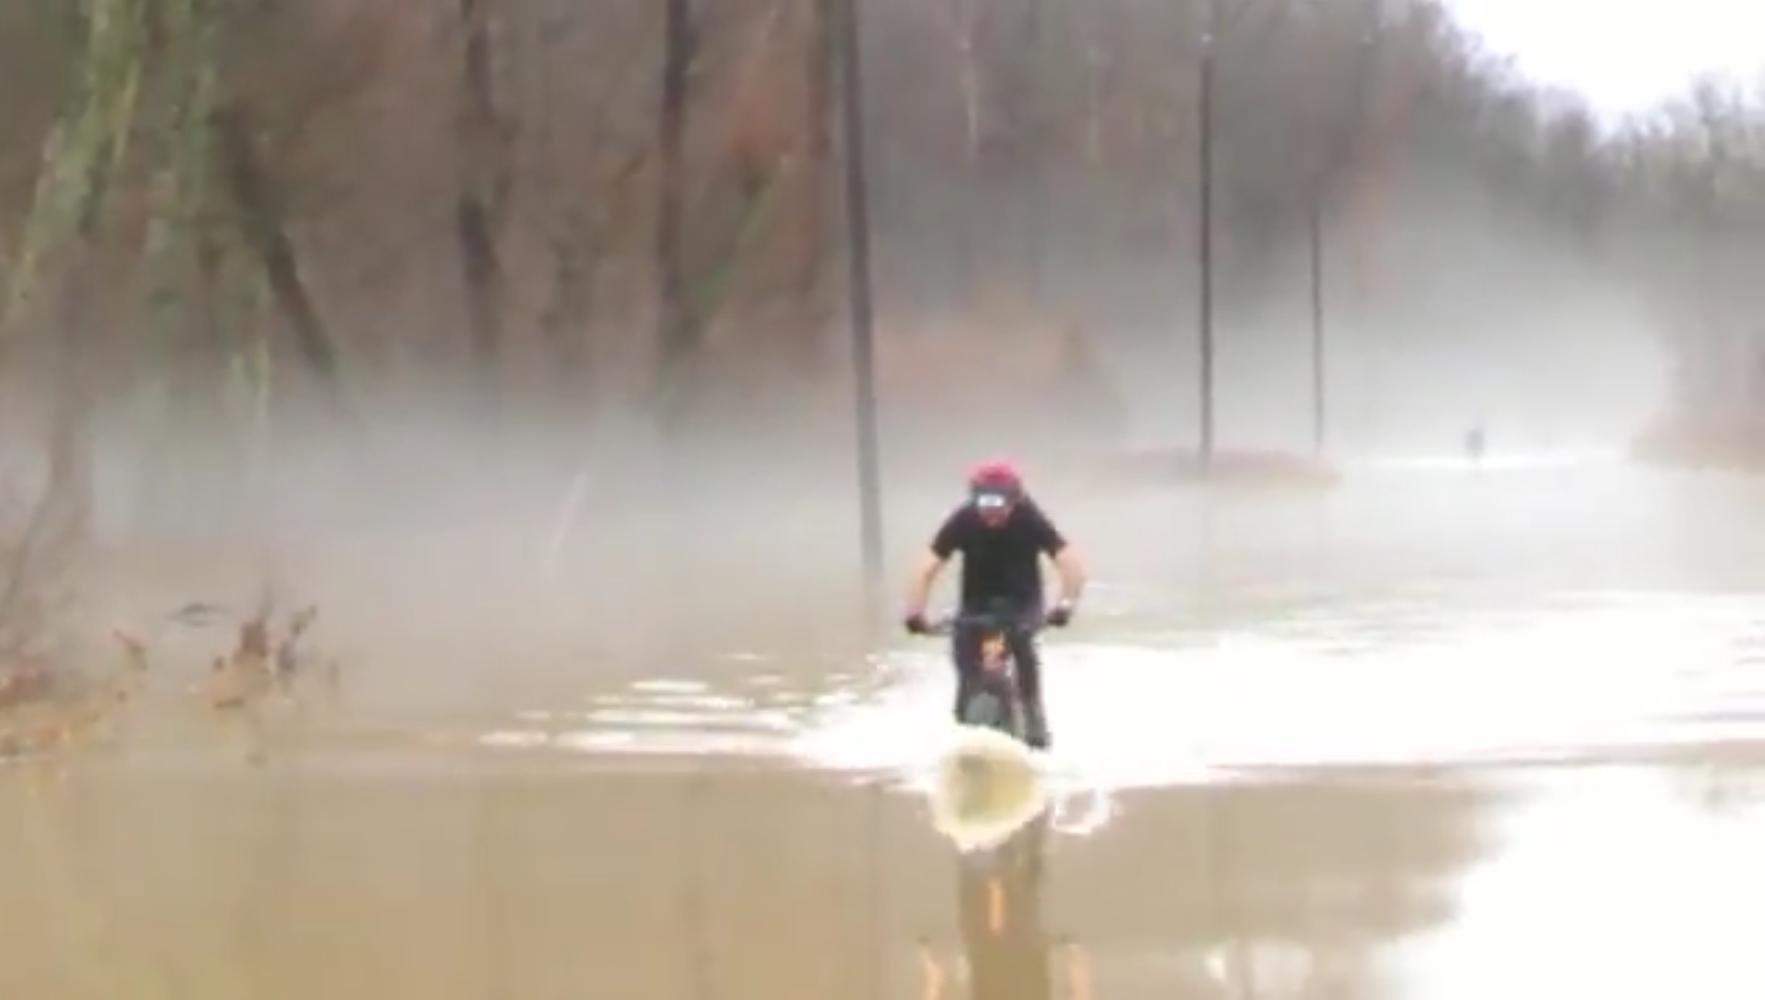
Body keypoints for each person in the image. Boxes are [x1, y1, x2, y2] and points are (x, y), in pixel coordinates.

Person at [903, 459, 1086, 749]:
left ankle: (1034, 724)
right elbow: (927, 565)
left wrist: (1065, 605)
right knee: (967, 673)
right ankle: (965, 728)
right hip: (975, 608)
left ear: (1015, 498)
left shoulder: (1029, 518)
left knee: (1023, 656)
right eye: (983, 501)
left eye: (999, 502)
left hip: (1022, 606)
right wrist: (915, 612)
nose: (991, 510)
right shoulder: (964, 519)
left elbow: (1069, 561)